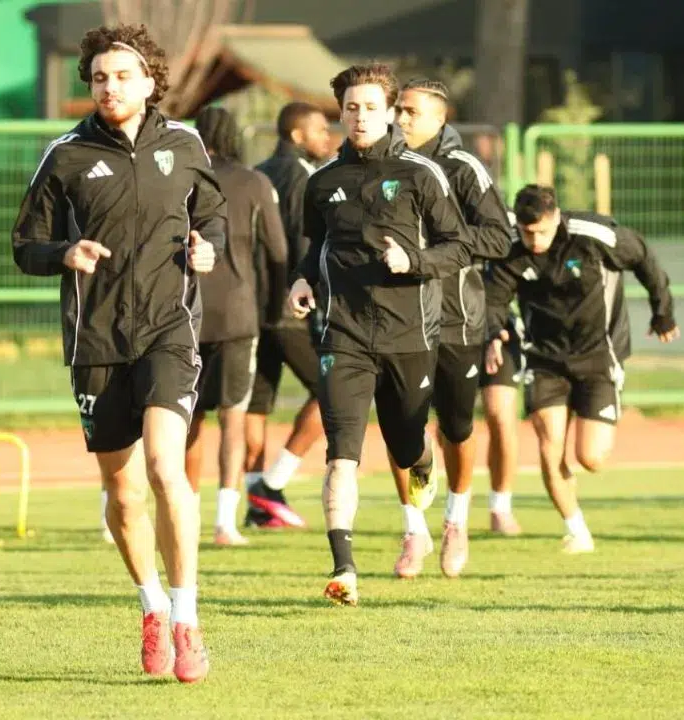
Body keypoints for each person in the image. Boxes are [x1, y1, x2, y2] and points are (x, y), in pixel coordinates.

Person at [11, 24, 226, 683]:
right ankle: (152, 604)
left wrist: (208, 247)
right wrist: (63, 253)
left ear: (150, 81)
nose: (110, 87)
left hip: (169, 329)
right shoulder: (66, 155)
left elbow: (212, 215)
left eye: (123, 76)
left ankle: (187, 618)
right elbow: (25, 246)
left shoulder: (185, 144)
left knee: (165, 467)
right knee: (124, 493)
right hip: (97, 339)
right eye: (100, 77)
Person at [287, 62, 484, 606]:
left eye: (371, 107)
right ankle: (343, 568)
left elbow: (460, 246)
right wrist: (302, 279)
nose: (360, 116)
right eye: (351, 107)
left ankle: (422, 461)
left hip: (409, 334)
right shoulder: (323, 181)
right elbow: (315, 247)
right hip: (343, 333)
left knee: (406, 445)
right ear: (340, 112)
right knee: (341, 454)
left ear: (390, 111)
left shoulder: (423, 174)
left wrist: (413, 261)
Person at [485, 185, 678, 553]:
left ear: (556, 217)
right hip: (544, 360)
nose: (534, 241)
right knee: (549, 444)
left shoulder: (594, 236)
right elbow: (493, 301)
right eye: (527, 233)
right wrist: (494, 334)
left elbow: (643, 256)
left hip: (598, 356)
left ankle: (575, 489)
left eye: (541, 231)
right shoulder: (509, 248)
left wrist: (662, 312)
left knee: (591, 458)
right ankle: (577, 531)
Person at [387, 79, 514, 579]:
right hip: (396, 318)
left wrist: (436, 246)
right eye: (398, 109)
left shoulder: (462, 168)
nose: (401, 119)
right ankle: (413, 528)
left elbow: (500, 238)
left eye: (411, 112)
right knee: (400, 426)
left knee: (456, 428)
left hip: (456, 318)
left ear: (440, 119)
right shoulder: (382, 162)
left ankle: (456, 522)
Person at [183, 106, 288, 546]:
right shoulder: (254, 182)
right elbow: (278, 252)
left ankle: (185, 514)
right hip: (238, 315)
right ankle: (224, 522)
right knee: (233, 417)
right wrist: (274, 310)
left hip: (185, 312)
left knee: (186, 417)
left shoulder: (183, 179)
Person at [243, 101, 334, 530]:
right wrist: (309, 288)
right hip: (288, 307)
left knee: (256, 404)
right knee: (334, 391)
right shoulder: (303, 176)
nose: (327, 138)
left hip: (252, 306)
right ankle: (271, 484)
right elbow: (303, 242)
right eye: (320, 130)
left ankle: (256, 505)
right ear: (297, 135)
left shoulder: (258, 172)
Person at [477, 302, 524, 536]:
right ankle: (455, 508)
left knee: (501, 417)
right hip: (448, 325)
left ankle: (501, 506)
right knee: (450, 430)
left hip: (501, 327)